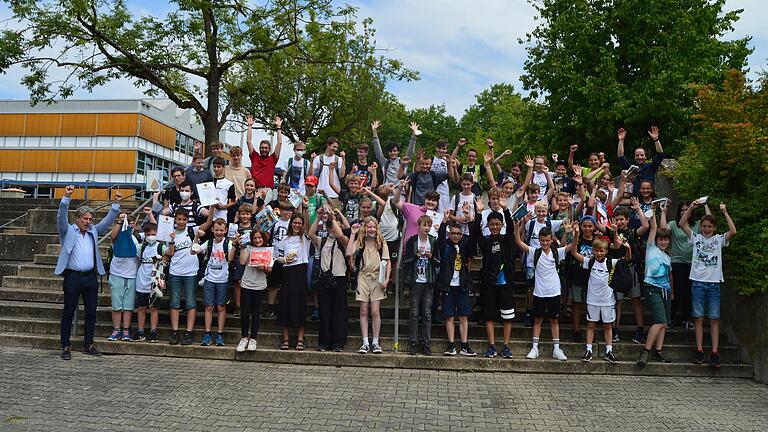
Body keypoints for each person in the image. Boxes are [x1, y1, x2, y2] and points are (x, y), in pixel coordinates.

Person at [55, 185, 120, 360]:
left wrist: (115, 205)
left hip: (90, 277)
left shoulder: (92, 231)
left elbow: (106, 223)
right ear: (77, 219)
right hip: (73, 277)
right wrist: (66, 198)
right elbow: (61, 218)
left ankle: (88, 344)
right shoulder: (67, 230)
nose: (88, 221)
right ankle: (65, 346)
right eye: (85, 218)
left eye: (90, 219)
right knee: (68, 311)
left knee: (91, 312)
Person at [680, 200, 737, 368]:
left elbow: (733, 231)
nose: (706, 229)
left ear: (714, 228)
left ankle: (714, 351)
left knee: (714, 318)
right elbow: (682, 223)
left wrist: (725, 212)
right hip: (697, 282)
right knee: (698, 318)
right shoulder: (696, 238)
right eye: (704, 226)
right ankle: (699, 350)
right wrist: (691, 207)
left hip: (713, 284)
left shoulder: (719, 240)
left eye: (709, 226)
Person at [515, 222, 574, 361]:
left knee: (554, 320)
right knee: (537, 320)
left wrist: (574, 233)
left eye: (548, 240)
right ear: (539, 240)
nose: (545, 243)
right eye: (542, 241)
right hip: (539, 292)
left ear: (552, 239)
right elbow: (518, 242)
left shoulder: (557, 252)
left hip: (554, 292)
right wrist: (517, 230)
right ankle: (534, 347)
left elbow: (572, 246)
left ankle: (557, 349)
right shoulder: (534, 251)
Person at [571, 234, 631, 363]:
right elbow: (574, 253)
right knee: (591, 325)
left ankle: (609, 351)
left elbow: (627, 259)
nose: (599, 253)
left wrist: (628, 248)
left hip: (608, 300)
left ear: (606, 251)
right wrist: (576, 234)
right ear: (593, 250)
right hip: (592, 300)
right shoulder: (589, 261)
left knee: (608, 326)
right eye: (596, 250)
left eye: (601, 251)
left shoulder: (611, 262)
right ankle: (589, 350)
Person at [473, 198, 517, 359]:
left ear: (501, 225)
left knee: (507, 317)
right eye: (491, 224)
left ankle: (506, 346)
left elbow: (511, 228)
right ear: (488, 226)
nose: (494, 227)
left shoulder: (506, 239)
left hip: (505, 284)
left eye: (497, 224)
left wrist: (505, 210)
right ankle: (491, 346)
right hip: (489, 284)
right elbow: (476, 233)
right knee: (489, 316)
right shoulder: (486, 242)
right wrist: (478, 213)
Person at [164, 207, 213, 345]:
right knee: (174, 302)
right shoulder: (169, 233)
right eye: (179, 219)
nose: (181, 221)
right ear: (175, 219)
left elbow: (209, 222)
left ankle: (189, 332)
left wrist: (213, 206)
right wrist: (172, 241)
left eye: (184, 219)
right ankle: (175, 331)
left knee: (191, 302)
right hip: (175, 272)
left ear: (187, 220)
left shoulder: (192, 230)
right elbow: (170, 253)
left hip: (191, 272)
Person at [661, 200, 709, 329]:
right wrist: (664, 212)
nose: (684, 212)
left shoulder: (697, 225)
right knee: (675, 291)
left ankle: (688, 319)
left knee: (689, 292)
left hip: (693, 263)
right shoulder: (674, 224)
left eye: (686, 210)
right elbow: (663, 229)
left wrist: (705, 204)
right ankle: (671, 318)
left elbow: (709, 220)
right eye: (682, 210)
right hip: (676, 262)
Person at [346, 217, 390, 354]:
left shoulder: (381, 242)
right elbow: (348, 253)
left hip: (377, 276)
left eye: (374, 227)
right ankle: (365, 342)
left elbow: (387, 262)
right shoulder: (360, 242)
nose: (371, 230)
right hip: (363, 276)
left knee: (375, 311)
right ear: (365, 228)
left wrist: (387, 279)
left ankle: (375, 342)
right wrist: (353, 233)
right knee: (364, 310)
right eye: (369, 227)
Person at [308, 206, 349, 352]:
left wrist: (332, 218)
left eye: (333, 225)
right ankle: (324, 341)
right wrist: (319, 217)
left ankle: (338, 342)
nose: (331, 227)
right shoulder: (323, 240)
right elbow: (310, 233)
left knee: (338, 311)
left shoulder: (343, 240)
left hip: (339, 278)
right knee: (324, 311)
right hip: (324, 278)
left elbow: (340, 234)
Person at [637, 206, 674, 366]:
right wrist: (653, 212)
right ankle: (645, 351)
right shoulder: (651, 248)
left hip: (666, 290)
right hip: (652, 287)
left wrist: (672, 291)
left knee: (664, 322)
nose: (663, 242)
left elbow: (669, 275)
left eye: (666, 240)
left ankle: (658, 351)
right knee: (659, 320)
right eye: (661, 239)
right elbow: (653, 227)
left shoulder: (667, 257)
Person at [610, 201, 649, 344]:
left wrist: (638, 209)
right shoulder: (611, 231)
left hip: (631, 268)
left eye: (622, 219)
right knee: (618, 301)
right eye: (617, 219)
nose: (619, 222)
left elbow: (645, 226)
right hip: (617, 269)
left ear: (627, 220)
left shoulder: (632, 232)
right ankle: (615, 329)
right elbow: (597, 224)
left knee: (636, 299)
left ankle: (640, 329)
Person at [401, 215, 440, 356]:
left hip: (428, 281)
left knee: (427, 313)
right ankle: (413, 342)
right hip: (415, 281)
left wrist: (431, 258)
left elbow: (437, 262)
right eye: (424, 225)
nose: (427, 228)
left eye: (429, 225)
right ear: (418, 226)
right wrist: (416, 256)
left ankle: (426, 343)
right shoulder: (412, 241)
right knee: (414, 312)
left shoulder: (433, 241)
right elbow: (406, 261)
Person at [275, 212, 312, 350]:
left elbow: (309, 226)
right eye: (295, 223)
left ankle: (300, 339)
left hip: (300, 272)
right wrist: (284, 260)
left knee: (300, 305)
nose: (297, 225)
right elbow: (278, 256)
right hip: (287, 273)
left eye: (299, 223)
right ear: (291, 223)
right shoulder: (284, 239)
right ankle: (285, 339)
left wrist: (306, 208)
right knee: (285, 304)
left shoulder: (305, 238)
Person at [200, 218, 237, 347]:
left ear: (226, 230)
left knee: (221, 307)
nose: (219, 232)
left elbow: (231, 258)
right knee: (209, 307)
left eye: (221, 230)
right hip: (209, 278)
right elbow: (194, 250)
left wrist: (235, 244)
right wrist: (196, 237)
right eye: (216, 230)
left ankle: (220, 334)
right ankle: (207, 333)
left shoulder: (228, 244)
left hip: (223, 279)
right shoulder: (209, 243)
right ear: (212, 230)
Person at [106, 212, 141, 342]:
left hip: (132, 275)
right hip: (117, 274)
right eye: (128, 223)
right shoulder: (119, 237)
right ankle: (116, 329)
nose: (130, 226)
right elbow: (113, 236)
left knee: (128, 305)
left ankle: (126, 329)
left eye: (132, 224)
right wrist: (120, 222)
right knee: (116, 304)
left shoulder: (137, 239)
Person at [236, 229, 272, 352]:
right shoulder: (248, 248)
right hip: (246, 284)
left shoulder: (268, 250)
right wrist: (242, 247)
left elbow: (269, 270)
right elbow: (242, 261)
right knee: (245, 312)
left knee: (256, 312)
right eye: (255, 238)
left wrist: (264, 268)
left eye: (260, 238)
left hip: (260, 285)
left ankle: (253, 339)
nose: (257, 240)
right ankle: (244, 338)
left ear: (264, 238)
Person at [132, 214, 166, 343]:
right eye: (148, 234)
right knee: (141, 307)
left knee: (153, 308)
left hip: (155, 279)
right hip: (142, 279)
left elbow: (169, 254)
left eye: (153, 233)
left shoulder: (161, 247)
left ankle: (153, 331)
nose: (151, 236)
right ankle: (140, 331)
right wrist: (133, 230)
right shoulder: (142, 247)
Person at [616, 126, 664, 194]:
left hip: (649, 198)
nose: (639, 157)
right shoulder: (631, 169)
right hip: (635, 200)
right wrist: (621, 140)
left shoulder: (651, 167)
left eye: (642, 155)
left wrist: (656, 139)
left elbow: (660, 155)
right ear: (634, 157)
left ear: (645, 157)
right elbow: (621, 157)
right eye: (637, 155)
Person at [371, 120, 418, 185]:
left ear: (398, 151)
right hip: (386, 191)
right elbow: (377, 151)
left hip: (400, 191)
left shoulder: (404, 162)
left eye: (395, 151)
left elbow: (410, 151)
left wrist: (414, 134)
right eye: (390, 151)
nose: (393, 153)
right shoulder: (385, 163)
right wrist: (374, 131)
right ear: (388, 152)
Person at [247, 115, 284, 194]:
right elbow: (248, 142)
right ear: (259, 148)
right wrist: (250, 126)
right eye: (262, 148)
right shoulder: (254, 156)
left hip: (268, 190)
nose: (264, 150)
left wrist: (278, 127)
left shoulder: (273, 159)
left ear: (269, 149)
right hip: (254, 189)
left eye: (266, 148)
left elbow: (280, 143)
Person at [311, 136, 345, 208]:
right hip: (321, 194)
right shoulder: (318, 158)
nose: (335, 149)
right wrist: (312, 161)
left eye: (336, 147)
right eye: (334, 147)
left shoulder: (338, 159)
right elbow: (311, 175)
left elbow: (342, 175)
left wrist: (343, 159)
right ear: (328, 145)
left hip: (335, 195)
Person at [211, 157, 236, 222]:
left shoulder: (229, 184)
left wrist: (223, 207)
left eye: (218, 167)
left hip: (222, 215)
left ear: (223, 167)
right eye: (214, 167)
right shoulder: (208, 182)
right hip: (209, 214)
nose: (216, 169)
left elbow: (233, 201)